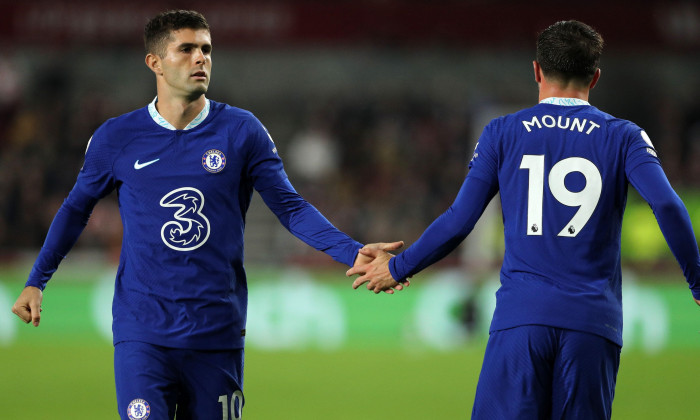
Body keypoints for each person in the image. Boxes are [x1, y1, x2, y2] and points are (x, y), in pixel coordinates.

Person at [11, 9, 404, 420]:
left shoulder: (241, 131)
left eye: (206, 49)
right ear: (155, 63)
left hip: (216, 331)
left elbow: (290, 207)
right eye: (186, 49)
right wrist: (37, 280)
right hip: (143, 330)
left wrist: (351, 251)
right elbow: (76, 209)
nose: (201, 58)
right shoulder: (117, 137)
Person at [348, 20, 700, 419]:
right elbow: (669, 206)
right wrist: (698, 280)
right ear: (595, 77)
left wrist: (398, 267)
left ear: (536, 70)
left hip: (521, 321)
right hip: (591, 323)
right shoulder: (625, 136)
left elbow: (460, 220)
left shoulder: (503, 132)